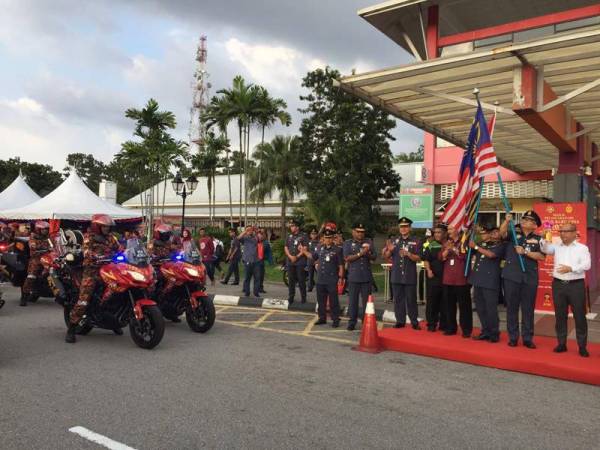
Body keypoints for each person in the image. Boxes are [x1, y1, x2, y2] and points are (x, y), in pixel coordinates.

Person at [66, 214, 120, 343]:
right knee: (84, 299)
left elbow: (120, 248)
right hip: (92, 271)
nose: (107, 229)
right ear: (97, 226)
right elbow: (86, 251)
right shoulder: (89, 237)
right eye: (104, 226)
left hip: (109, 270)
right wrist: (95, 256)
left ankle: (115, 321)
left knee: (117, 290)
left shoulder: (111, 238)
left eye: (108, 227)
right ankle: (72, 328)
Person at [540, 222, 591, 357]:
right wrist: (544, 236)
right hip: (558, 285)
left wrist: (571, 268)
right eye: (561, 231)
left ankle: (582, 346)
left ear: (575, 233)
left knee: (579, 316)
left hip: (576, 285)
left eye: (567, 231)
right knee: (560, 315)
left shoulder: (582, 248)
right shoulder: (556, 246)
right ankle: (561, 343)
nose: (563, 234)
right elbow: (545, 249)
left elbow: (587, 265)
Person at [500, 211, 545, 348]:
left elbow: (542, 256)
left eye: (529, 220)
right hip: (512, 277)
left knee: (528, 309)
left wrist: (525, 252)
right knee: (512, 308)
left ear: (534, 225)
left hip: (529, 278)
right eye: (524, 219)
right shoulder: (513, 235)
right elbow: (502, 234)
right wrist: (506, 221)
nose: (525, 221)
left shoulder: (539, 239)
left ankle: (527, 338)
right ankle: (513, 337)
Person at [383, 217, 422, 330]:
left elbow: (419, 258)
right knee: (398, 300)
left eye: (406, 226)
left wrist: (408, 254)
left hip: (409, 276)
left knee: (411, 300)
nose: (403, 229)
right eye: (401, 227)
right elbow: (385, 256)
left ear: (409, 228)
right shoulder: (394, 240)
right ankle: (400, 321)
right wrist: (389, 250)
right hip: (397, 276)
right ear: (399, 228)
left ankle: (414, 321)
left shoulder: (416, 241)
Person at [468, 225, 505, 343]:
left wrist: (476, 246)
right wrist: (471, 232)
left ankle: (494, 333)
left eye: (484, 234)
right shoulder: (483, 244)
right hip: (478, 280)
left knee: (491, 309)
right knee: (480, 308)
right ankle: (485, 331)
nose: (482, 236)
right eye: (482, 234)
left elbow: (491, 255)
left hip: (490, 282)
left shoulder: (500, 245)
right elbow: (468, 246)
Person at [303, 229, 344, 327]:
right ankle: (322, 318)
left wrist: (340, 278)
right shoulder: (320, 248)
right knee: (321, 300)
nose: (328, 240)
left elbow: (341, 265)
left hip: (332, 279)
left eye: (330, 238)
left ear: (333, 238)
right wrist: (304, 251)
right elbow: (313, 256)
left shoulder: (337, 250)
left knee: (334, 301)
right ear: (323, 239)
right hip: (321, 278)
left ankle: (335, 319)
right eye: (326, 238)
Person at [343, 223, 377, 331]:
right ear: (353, 232)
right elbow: (347, 258)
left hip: (366, 277)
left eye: (362, 232)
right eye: (358, 231)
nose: (360, 234)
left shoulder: (369, 242)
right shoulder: (348, 243)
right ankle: (352, 322)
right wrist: (361, 254)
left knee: (366, 302)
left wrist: (367, 253)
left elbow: (374, 257)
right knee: (353, 302)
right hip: (354, 277)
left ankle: (366, 322)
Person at [440, 225, 472, 338]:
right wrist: (448, 249)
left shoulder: (463, 241)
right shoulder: (446, 242)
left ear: (457, 230)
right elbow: (441, 257)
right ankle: (451, 328)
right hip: (448, 279)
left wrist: (453, 248)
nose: (449, 232)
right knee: (449, 306)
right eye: (448, 230)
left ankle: (466, 330)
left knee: (464, 306)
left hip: (461, 279)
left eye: (451, 229)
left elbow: (463, 256)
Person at [421, 223, 447, 332]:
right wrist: (429, 270)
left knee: (445, 302)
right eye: (435, 232)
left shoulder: (449, 244)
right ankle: (431, 323)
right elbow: (426, 259)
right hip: (434, 278)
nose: (436, 234)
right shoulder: (431, 245)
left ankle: (444, 324)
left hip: (447, 279)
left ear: (445, 233)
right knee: (432, 302)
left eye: (439, 232)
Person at [20, 221, 52, 306]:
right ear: (38, 229)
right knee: (32, 275)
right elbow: (32, 245)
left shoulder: (48, 237)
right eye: (44, 229)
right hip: (36, 258)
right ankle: (24, 296)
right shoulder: (33, 237)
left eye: (47, 229)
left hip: (48, 258)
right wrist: (41, 247)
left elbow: (54, 245)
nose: (46, 231)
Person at [284, 220, 308, 304]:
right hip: (290, 261)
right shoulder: (289, 236)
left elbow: (305, 248)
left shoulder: (303, 236)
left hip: (300, 262)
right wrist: (290, 256)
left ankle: (303, 297)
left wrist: (297, 257)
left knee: (301, 280)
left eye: (293, 226)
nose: (291, 227)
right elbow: (286, 247)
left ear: (297, 227)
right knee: (291, 280)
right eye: (291, 226)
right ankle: (291, 297)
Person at [238, 226, 260, 298]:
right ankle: (247, 292)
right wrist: (245, 231)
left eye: (251, 229)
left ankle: (256, 292)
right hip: (247, 260)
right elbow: (238, 238)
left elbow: (261, 238)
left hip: (256, 261)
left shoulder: (255, 237)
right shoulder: (245, 238)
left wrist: (256, 231)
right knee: (247, 278)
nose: (250, 231)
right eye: (249, 230)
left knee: (257, 278)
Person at [306, 227, 319, 292]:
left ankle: (319, 287)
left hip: (317, 262)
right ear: (310, 235)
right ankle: (309, 287)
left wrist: (318, 261)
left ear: (317, 234)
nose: (313, 235)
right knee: (310, 275)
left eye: (315, 234)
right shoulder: (308, 242)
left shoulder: (319, 242)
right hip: (310, 261)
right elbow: (306, 251)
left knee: (318, 275)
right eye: (312, 234)